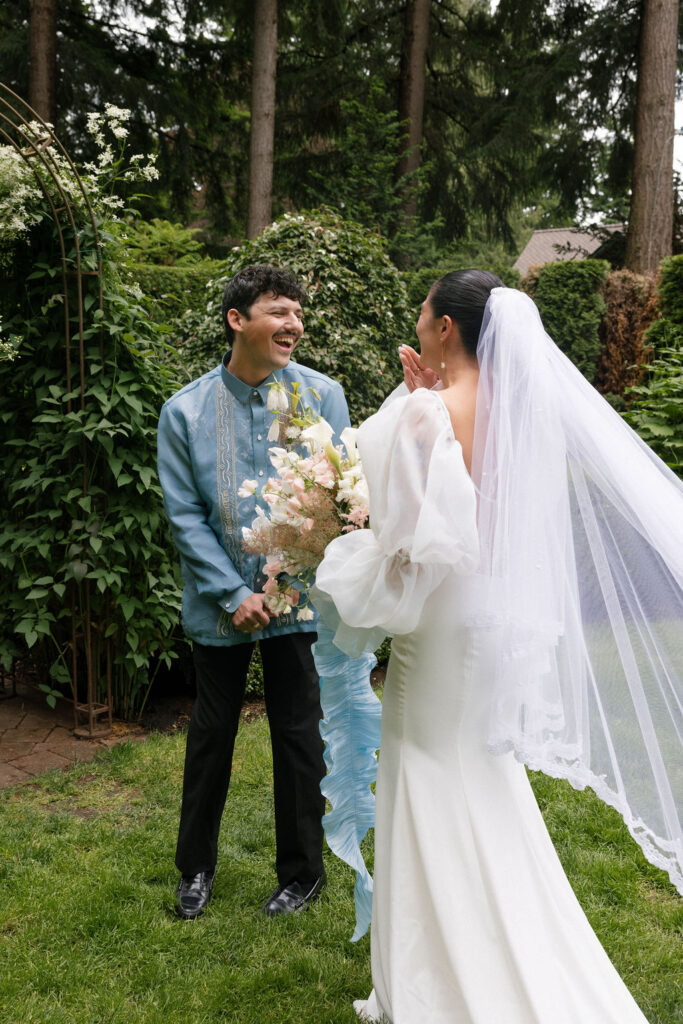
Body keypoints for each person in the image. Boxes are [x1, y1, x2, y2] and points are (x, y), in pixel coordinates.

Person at [313, 270, 683, 1022]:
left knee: (425, 774)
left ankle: (440, 987)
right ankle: (496, 952)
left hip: (438, 621)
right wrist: (415, 397)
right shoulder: (525, 415)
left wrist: (348, 546)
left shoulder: (427, 416)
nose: (416, 320)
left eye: (423, 310)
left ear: (446, 327)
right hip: (489, 615)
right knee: (478, 773)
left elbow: (412, 544)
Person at [157, 264, 350, 921]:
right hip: (219, 607)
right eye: (277, 310)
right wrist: (229, 591)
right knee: (211, 734)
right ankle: (195, 870)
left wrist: (287, 580)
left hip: (296, 602)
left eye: (297, 311)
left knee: (299, 734)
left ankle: (302, 873)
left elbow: (337, 498)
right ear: (237, 320)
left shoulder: (322, 397)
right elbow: (183, 514)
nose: (293, 322)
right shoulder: (182, 411)